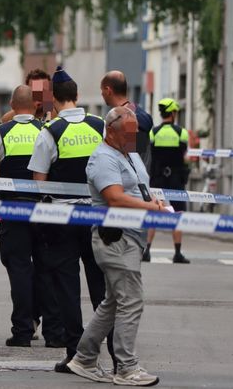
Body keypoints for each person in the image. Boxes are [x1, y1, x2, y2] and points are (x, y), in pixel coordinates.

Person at [28, 65, 116, 373]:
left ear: (54, 99)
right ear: (77, 96)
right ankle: (115, 352)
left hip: (62, 216)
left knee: (66, 285)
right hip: (96, 213)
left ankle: (76, 354)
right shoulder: (99, 125)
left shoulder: (49, 132)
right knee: (100, 284)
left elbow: (39, 181)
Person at [67, 106, 163, 387]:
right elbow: (116, 197)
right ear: (111, 130)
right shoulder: (102, 158)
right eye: (128, 133)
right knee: (131, 301)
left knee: (112, 302)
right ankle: (126, 367)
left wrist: (156, 203)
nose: (133, 138)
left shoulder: (128, 153)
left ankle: (84, 358)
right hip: (116, 238)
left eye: (135, 133)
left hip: (130, 237)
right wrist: (149, 207)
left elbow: (140, 187)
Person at [0, 85, 64, 348]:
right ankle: (54, 332)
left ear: (12, 105)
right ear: (35, 105)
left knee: (19, 271)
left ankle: (22, 331)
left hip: (13, 211)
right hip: (44, 210)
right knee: (47, 270)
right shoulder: (48, 131)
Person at [143, 98, 190, 264]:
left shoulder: (153, 133)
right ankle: (177, 252)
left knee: (154, 211)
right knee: (178, 214)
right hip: (176, 178)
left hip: (157, 177)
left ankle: (146, 251)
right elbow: (184, 155)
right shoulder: (181, 133)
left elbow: (151, 155)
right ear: (173, 113)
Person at [100, 71, 153, 170]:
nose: (101, 93)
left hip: (131, 183)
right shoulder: (135, 114)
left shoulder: (128, 120)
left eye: (102, 90)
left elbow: (133, 157)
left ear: (108, 90)